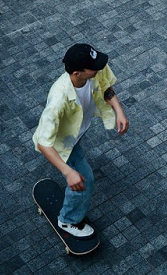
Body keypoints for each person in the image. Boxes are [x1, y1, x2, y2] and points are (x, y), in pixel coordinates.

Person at [32, 43, 129, 238]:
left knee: (80, 174)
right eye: (94, 67)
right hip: (63, 143)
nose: (100, 67)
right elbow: (43, 142)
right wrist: (68, 172)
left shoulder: (93, 71)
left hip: (77, 131)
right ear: (77, 73)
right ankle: (68, 220)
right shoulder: (58, 98)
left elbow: (105, 86)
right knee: (85, 180)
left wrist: (119, 110)